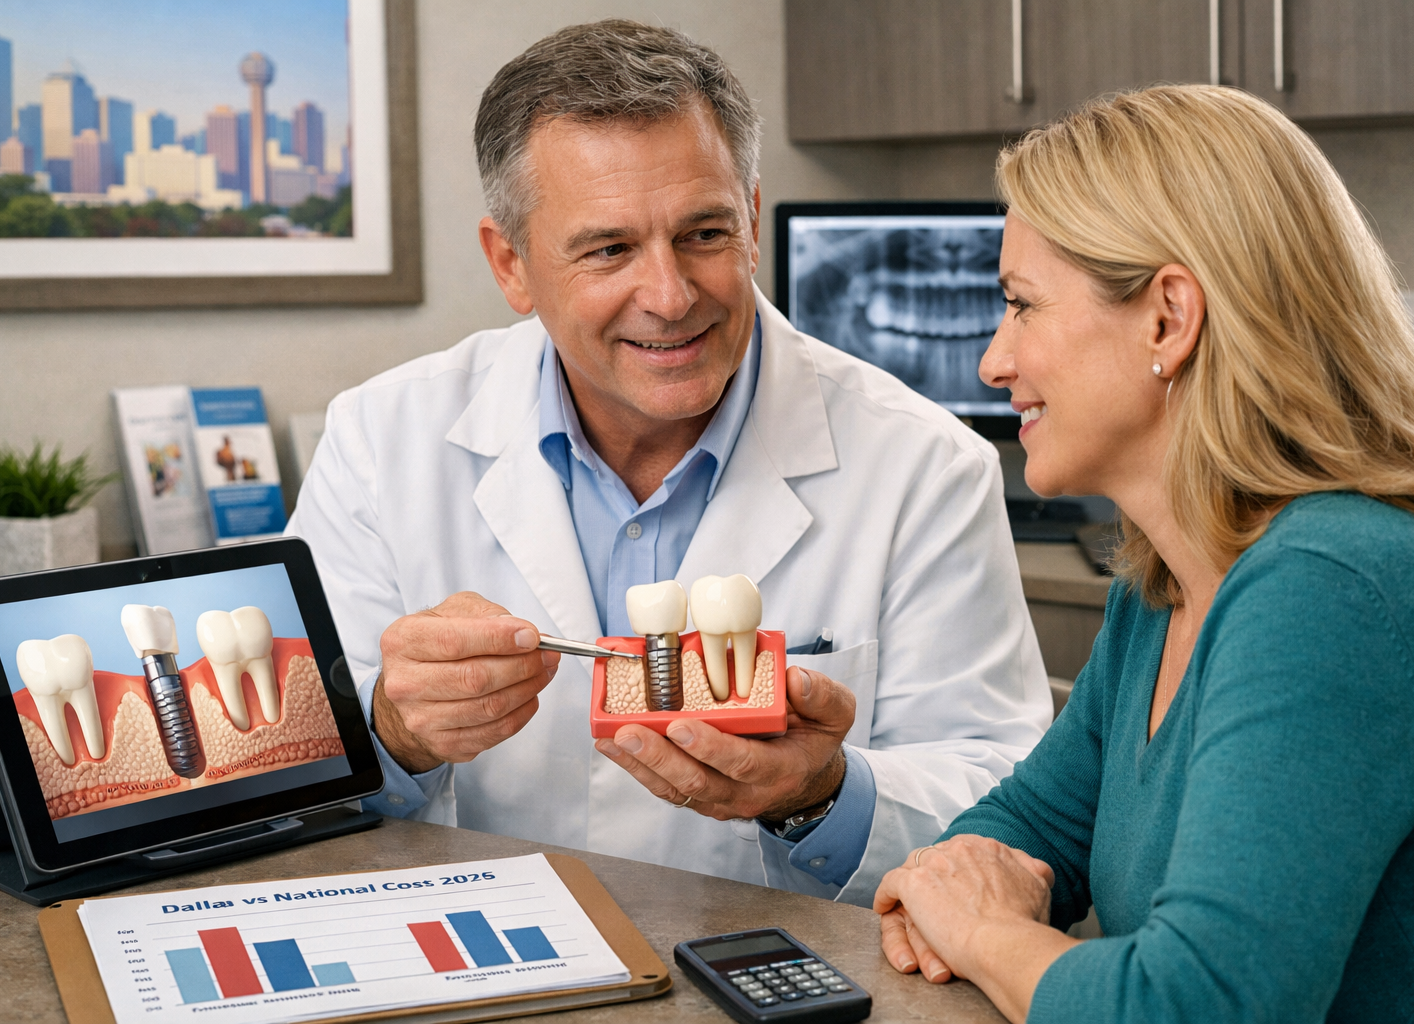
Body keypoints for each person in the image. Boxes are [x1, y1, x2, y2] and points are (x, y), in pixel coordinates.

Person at [288, 19, 1050, 905]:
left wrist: (821, 794)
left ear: (754, 221)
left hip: (776, 977)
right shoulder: (383, 440)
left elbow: (1009, 806)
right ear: (512, 264)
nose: (670, 295)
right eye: (609, 249)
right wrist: (391, 732)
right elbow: (280, 785)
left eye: (703, 234)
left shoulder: (925, 466)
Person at [872, 84, 1414, 1022]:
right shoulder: (1162, 583)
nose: (993, 362)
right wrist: (956, 887)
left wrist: (985, 935)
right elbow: (1026, 830)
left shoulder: (1334, 588)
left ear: (1168, 319)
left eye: (1023, 306)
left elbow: (1198, 1006)